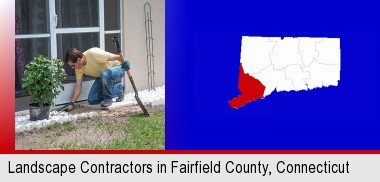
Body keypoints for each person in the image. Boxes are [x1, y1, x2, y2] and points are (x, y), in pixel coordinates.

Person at [59, 47, 130, 111]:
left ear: (79, 60)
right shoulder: (78, 68)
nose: (72, 68)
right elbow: (78, 86)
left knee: (104, 74)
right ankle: (118, 90)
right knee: (92, 99)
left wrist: (126, 62)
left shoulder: (93, 54)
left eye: (73, 65)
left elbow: (117, 57)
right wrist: (72, 103)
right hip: (103, 76)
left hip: (118, 68)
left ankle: (108, 99)